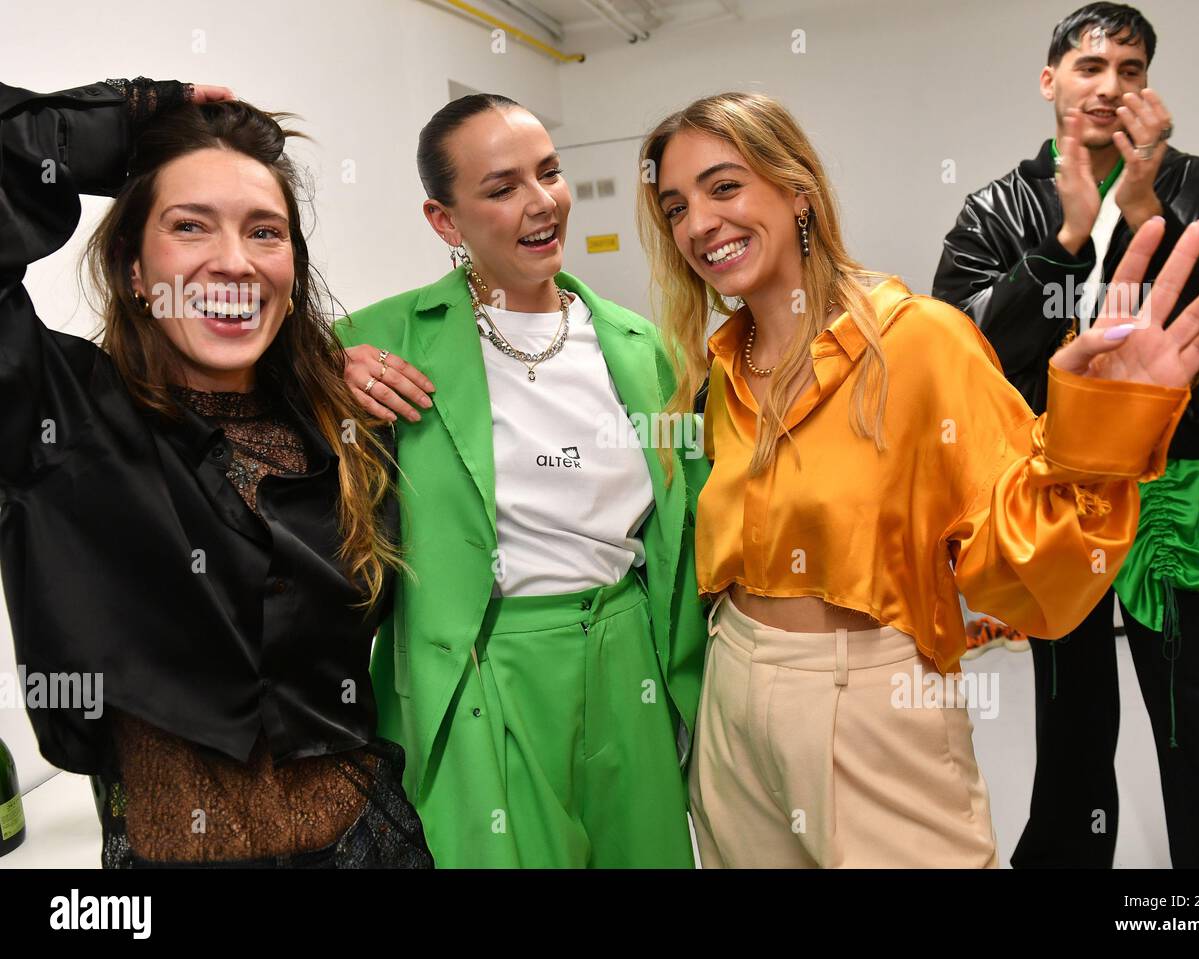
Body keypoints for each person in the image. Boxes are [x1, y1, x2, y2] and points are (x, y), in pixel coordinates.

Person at [636, 89, 1199, 868]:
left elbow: (1021, 566)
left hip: (871, 707)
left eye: (725, 187)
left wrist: (1097, 433)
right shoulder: (718, 369)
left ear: (797, 191)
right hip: (731, 698)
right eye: (676, 207)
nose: (699, 224)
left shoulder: (916, 340)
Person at [0, 77, 430, 868]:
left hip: (367, 845)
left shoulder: (350, 430)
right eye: (190, 225)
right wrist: (127, 118)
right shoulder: (56, 421)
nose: (234, 261)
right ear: (132, 268)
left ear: (293, 265)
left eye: (265, 232)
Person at [932, 2, 1199, 867]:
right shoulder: (997, 207)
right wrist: (1062, 244)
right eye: (1090, 66)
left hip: (1179, 498)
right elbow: (964, 343)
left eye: (1130, 70)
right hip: (1054, 500)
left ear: (1149, 87)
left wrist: (1143, 212)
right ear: (1049, 77)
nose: (1109, 86)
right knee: (1070, 720)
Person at [333, 94, 709, 867]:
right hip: (483, 661)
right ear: (445, 221)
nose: (542, 204)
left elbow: (688, 526)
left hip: (627, 652)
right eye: (502, 188)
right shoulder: (382, 342)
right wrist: (319, 377)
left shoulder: (641, 348)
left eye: (550, 173)